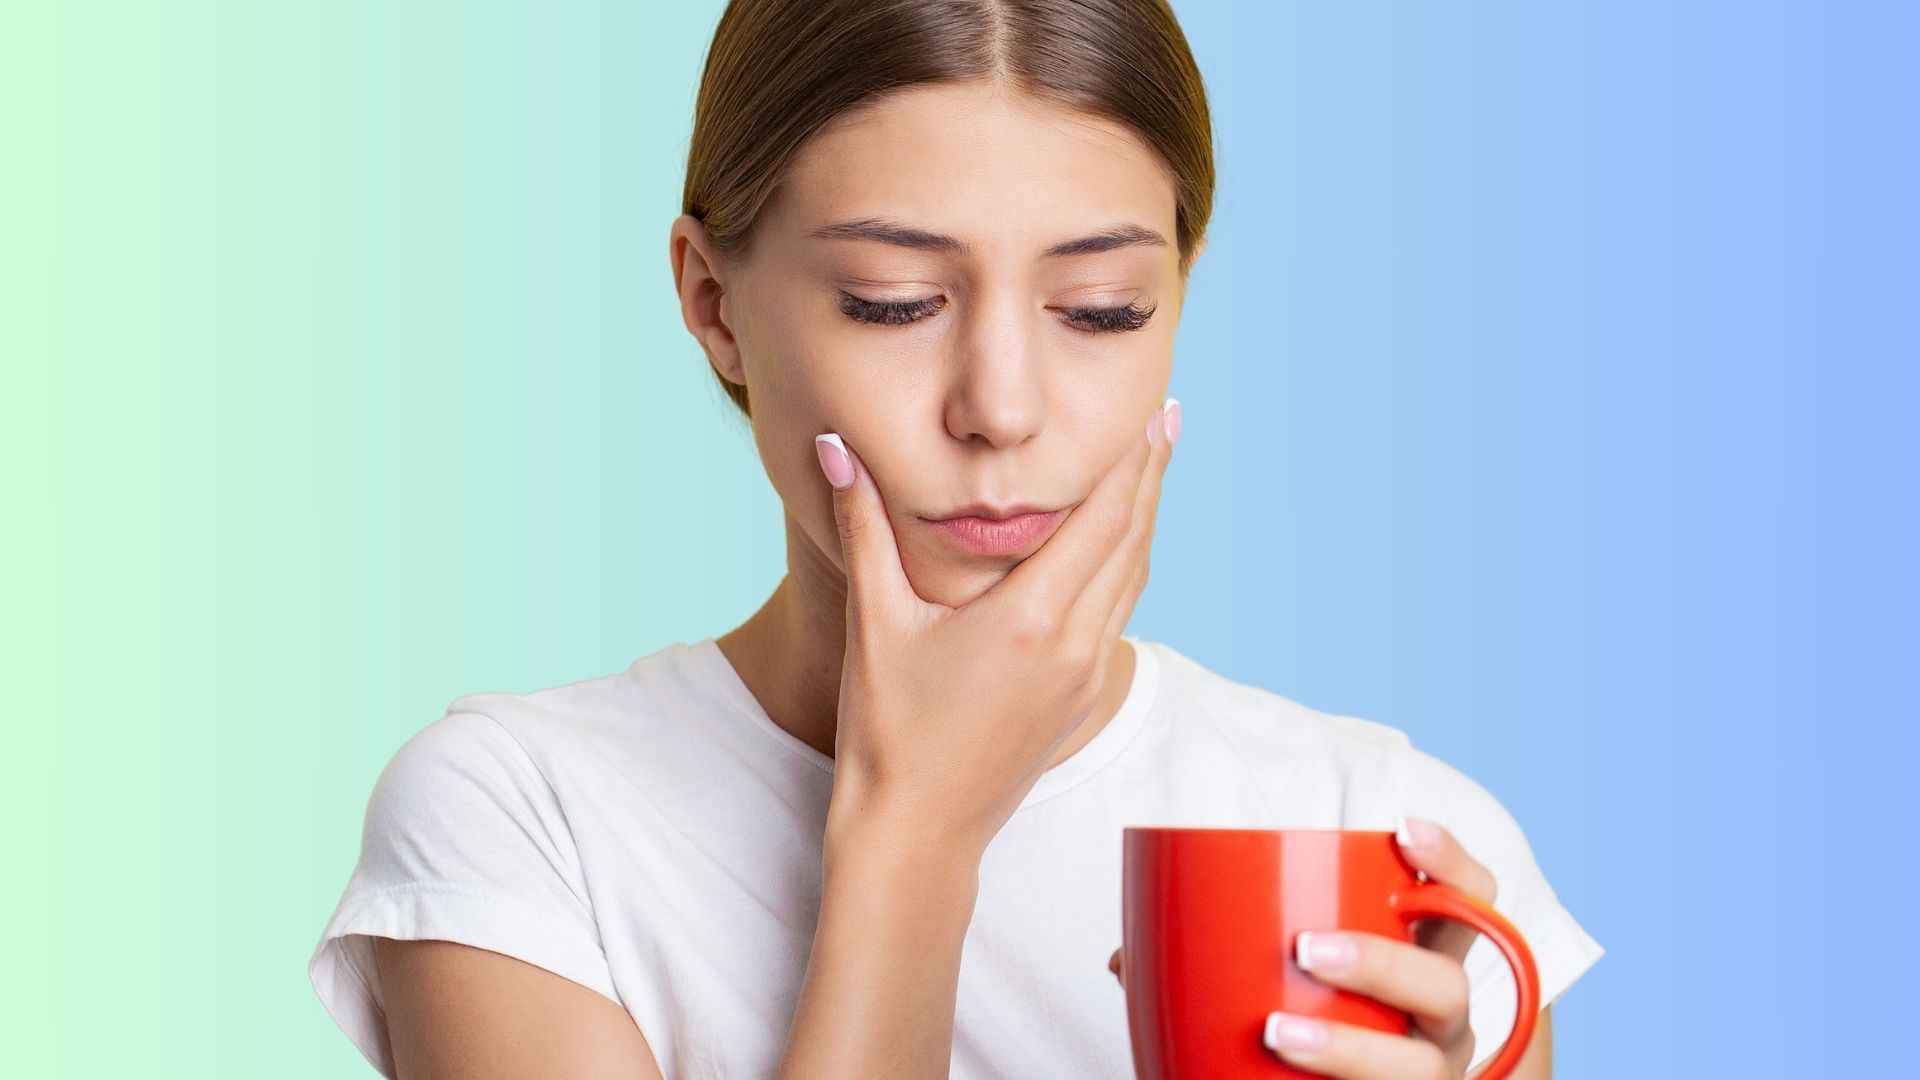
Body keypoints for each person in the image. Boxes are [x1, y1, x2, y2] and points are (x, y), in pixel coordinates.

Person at [308, 2, 1604, 1077]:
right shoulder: (523, 823)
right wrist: (916, 828)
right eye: (896, 302)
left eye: (1099, 310)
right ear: (712, 304)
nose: (1001, 408)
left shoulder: (1382, 835)